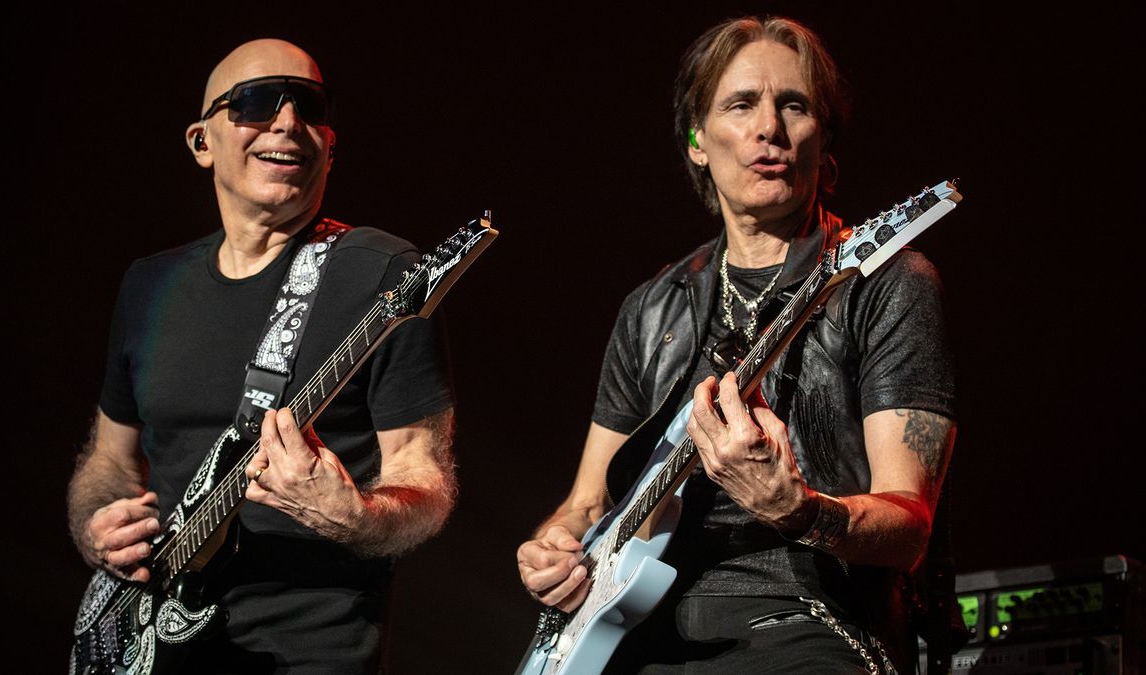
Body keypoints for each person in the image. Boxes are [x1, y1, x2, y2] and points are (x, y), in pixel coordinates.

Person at [516, 16, 956, 673]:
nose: (768, 129)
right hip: (638, 625)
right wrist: (551, 545)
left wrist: (801, 511)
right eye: (741, 104)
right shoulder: (651, 308)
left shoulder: (887, 283)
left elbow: (908, 524)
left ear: (823, 140)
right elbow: (586, 503)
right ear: (697, 139)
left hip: (810, 619)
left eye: (795, 105)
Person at [67, 39, 456, 673]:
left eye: (309, 105)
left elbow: (425, 481)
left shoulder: (384, 277)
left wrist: (357, 517)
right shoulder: (150, 283)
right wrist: (97, 527)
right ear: (201, 141)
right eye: (254, 103)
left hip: (307, 651)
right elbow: (109, 459)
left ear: (329, 143)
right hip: (152, 641)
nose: (286, 122)